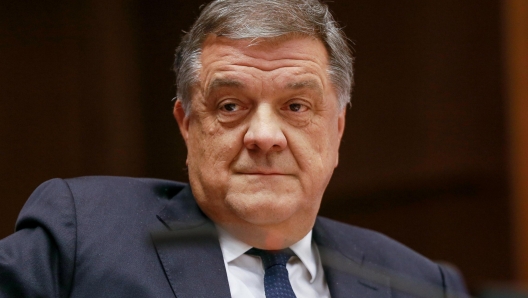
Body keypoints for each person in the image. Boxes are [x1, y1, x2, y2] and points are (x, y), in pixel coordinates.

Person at [0, 0, 469, 297]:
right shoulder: (82, 237)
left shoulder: (423, 284)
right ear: (187, 125)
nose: (264, 135)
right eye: (230, 105)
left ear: (338, 128)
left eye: (296, 105)